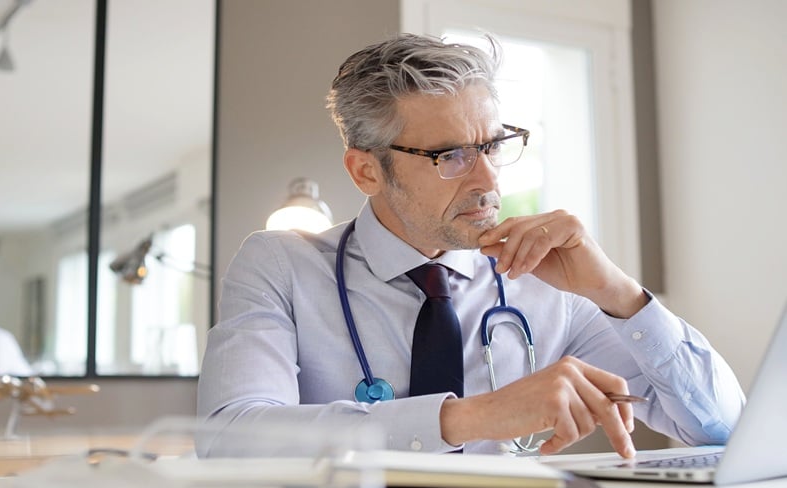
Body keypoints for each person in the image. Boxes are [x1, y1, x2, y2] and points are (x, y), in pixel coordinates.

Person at [197, 33, 744, 457]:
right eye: (450, 156)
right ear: (366, 171)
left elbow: (723, 427)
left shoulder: (547, 281)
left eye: (494, 146)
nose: (488, 180)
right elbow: (229, 438)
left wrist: (620, 294)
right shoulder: (281, 265)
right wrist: (473, 417)